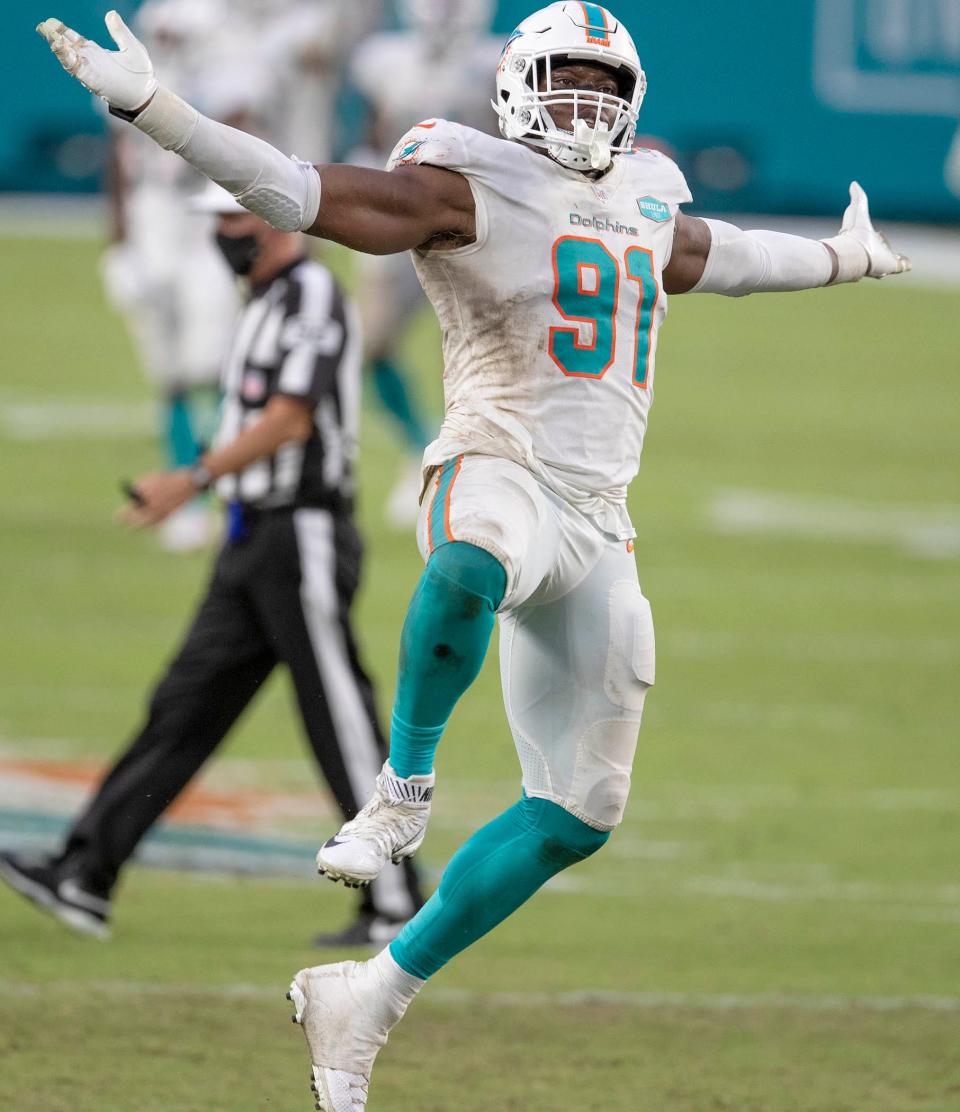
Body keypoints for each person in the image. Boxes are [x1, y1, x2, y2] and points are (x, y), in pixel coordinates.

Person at [37, 2, 911, 1107]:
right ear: (514, 85)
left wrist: (846, 255)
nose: (585, 104)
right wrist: (157, 111)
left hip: (600, 516)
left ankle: (366, 996)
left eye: (604, 85)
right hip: (496, 462)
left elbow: (719, 254)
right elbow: (299, 190)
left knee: (580, 813)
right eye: (566, 82)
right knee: (470, 560)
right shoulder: (464, 181)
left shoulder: (644, 190)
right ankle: (402, 784)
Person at [0, 184, 422, 947]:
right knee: (183, 705)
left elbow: (292, 418)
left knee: (339, 715)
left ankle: (395, 898)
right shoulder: (262, 299)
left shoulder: (312, 295)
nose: (223, 233)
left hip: (304, 534)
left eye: (234, 217)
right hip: (253, 537)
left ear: (279, 221)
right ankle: (85, 873)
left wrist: (191, 479)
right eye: (220, 219)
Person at [347, 0, 502, 527]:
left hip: (472, 226)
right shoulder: (386, 58)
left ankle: (474, 463)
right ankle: (420, 445)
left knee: (487, 348)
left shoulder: (494, 60)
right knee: (368, 344)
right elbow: (376, 130)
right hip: (402, 220)